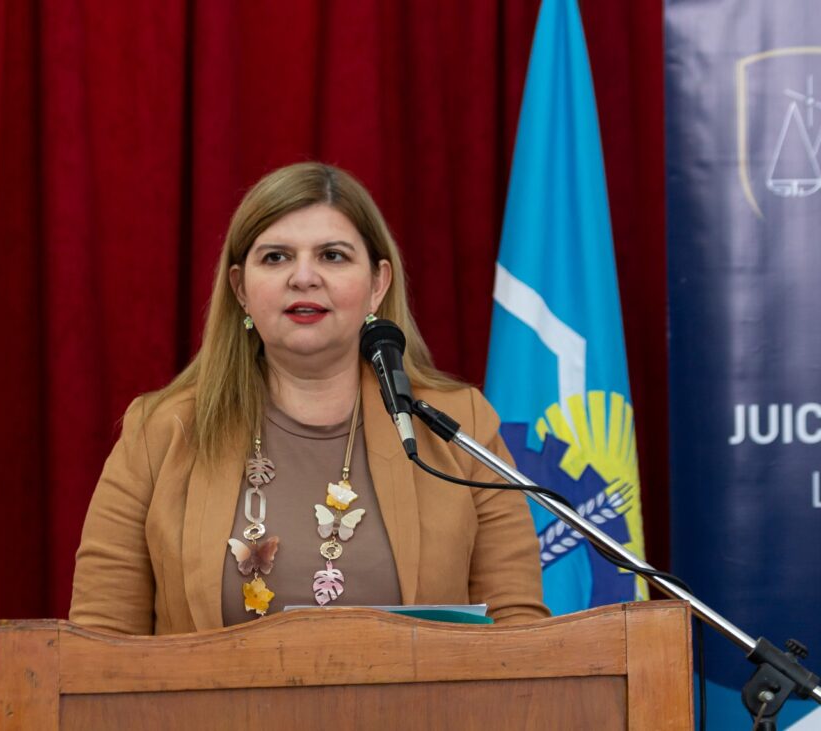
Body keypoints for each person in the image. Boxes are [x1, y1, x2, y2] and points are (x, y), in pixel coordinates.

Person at [69, 162, 548, 635]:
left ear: (377, 284)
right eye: (276, 257)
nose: (303, 277)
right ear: (240, 289)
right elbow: (100, 645)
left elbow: (519, 632)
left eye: (332, 256)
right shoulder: (162, 433)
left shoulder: (457, 425)